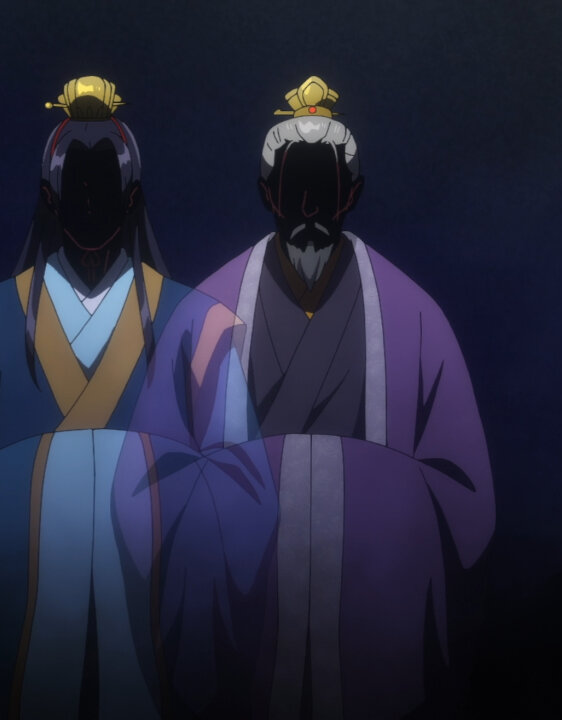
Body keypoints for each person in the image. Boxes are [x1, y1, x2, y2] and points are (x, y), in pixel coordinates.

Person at [0, 76, 274, 720]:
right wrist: (72, 482)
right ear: (49, 196)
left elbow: (247, 491)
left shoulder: (197, 329)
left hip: (155, 638)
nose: (91, 201)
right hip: (23, 638)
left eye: (105, 184)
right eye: (77, 184)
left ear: (133, 197)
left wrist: (125, 495)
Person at [195, 76, 497, 719]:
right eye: (293, 190)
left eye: (325, 190)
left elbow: (465, 495)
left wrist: (373, 508)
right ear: (266, 193)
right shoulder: (207, 313)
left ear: (352, 194)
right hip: (245, 605)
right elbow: (155, 472)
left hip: (374, 604)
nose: (309, 209)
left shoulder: (414, 315)